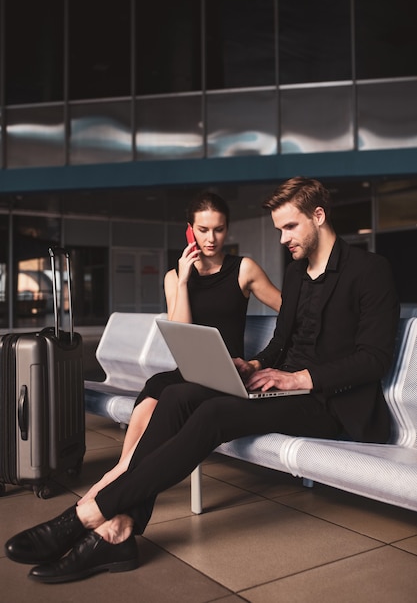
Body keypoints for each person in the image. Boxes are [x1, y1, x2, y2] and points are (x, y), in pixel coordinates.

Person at [5, 176, 399, 584]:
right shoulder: (298, 275)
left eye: (289, 227)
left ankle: (86, 514)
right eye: (278, 229)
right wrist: (252, 365)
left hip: (330, 404)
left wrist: (296, 378)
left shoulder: (370, 270)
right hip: (282, 390)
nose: (282, 238)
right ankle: (119, 529)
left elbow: (373, 360)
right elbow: (281, 343)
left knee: (213, 414)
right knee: (176, 396)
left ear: (318, 216)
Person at [79, 190, 282, 504]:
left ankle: (116, 479)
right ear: (190, 229)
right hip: (190, 370)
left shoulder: (244, 269)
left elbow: (288, 309)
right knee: (152, 391)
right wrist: (185, 280)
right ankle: (122, 470)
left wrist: (264, 359)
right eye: (202, 230)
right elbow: (181, 330)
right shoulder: (174, 276)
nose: (211, 238)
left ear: (227, 228)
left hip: (226, 376)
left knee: (166, 394)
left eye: (218, 229)